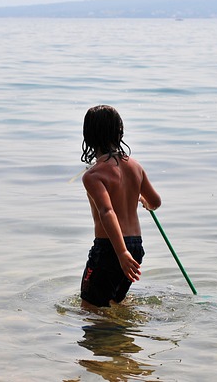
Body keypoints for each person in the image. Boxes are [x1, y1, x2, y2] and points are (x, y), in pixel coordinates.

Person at [80, 105, 161, 308]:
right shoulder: (135, 166)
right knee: (113, 302)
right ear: (120, 132)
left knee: (89, 307)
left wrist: (121, 252)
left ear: (89, 136)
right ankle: (122, 337)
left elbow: (107, 212)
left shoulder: (93, 175)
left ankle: (109, 337)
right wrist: (143, 201)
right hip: (136, 246)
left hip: (111, 248)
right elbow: (155, 202)